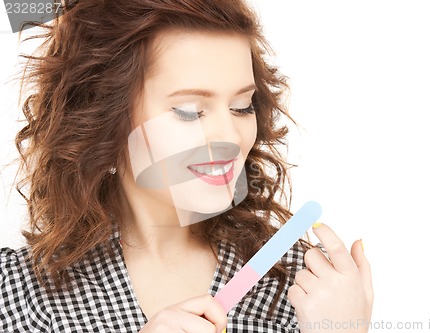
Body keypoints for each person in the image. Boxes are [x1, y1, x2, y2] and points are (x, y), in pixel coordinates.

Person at [0, 0, 373, 332]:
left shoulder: (305, 286)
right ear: (102, 121)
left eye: (242, 106)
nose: (229, 136)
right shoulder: (18, 294)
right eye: (189, 111)